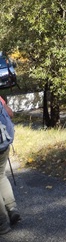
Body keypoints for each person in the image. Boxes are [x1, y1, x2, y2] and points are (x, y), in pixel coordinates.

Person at [0, 95, 20, 234]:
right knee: (1, 176)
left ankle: (2, 223)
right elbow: (10, 114)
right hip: (3, 144)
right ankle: (12, 209)